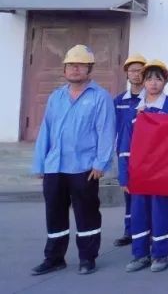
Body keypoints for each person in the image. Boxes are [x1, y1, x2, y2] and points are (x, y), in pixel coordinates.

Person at [30, 45, 116, 276]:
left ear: (89, 69)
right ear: (64, 69)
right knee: (54, 213)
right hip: (55, 166)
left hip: (84, 167)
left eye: (80, 65)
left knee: (86, 214)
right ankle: (54, 258)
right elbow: (46, 130)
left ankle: (87, 258)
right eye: (71, 65)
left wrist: (101, 163)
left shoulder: (100, 97)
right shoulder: (56, 97)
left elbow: (106, 131)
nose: (75, 69)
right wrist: (40, 163)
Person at [125, 60, 168, 273]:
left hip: (164, 171)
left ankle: (160, 254)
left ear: (165, 81)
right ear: (143, 81)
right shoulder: (134, 109)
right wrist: (124, 175)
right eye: (149, 79)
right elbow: (125, 143)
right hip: (139, 172)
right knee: (139, 214)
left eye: (158, 79)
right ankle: (140, 255)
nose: (153, 83)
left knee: (161, 213)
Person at [113, 53, 147, 248]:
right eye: (132, 71)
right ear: (126, 73)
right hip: (124, 153)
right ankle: (129, 231)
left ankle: (145, 230)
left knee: (145, 195)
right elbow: (114, 127)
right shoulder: (119, 100)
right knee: (129, 192)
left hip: (146, 155)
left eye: (140, 71)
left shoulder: (150, 99)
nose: (136, 74)